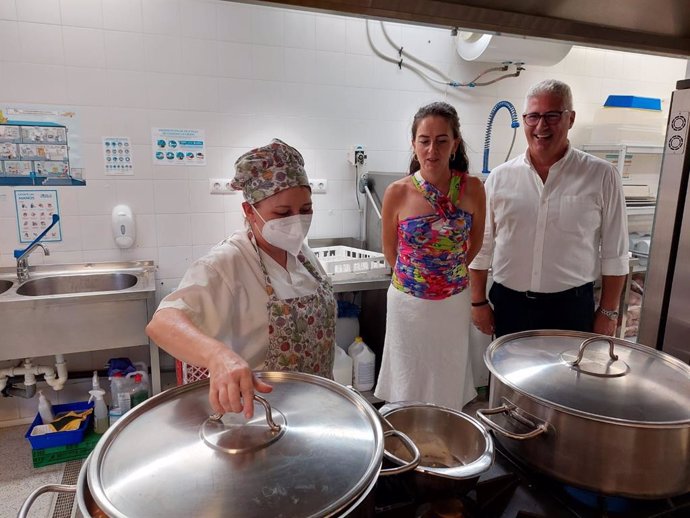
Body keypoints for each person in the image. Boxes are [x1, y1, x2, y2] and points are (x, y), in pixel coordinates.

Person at [146, 139, 336, 418]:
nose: (296, 221)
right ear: (249, 211)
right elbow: (162, 323)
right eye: (283, 213)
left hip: (316, 410)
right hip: (260, 418)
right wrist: (218, 356)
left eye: (305, 210)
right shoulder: (227, 263)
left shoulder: (304, 256)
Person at [469, 79, 629, 338]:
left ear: (571, 118)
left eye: (552, 116)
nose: (541, 126)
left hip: (572, 310)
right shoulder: (499, 178)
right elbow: (481, 247)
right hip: (510, 308)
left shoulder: (602, 176)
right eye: (533, 116)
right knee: (507, 379)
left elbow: (615, 252)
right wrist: (477, 302)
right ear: (524, 120)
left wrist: (608, 312)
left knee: (569, 380)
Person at [374, 102, 486, 410]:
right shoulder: (397, 192)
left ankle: (445, 439)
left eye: (441, 140)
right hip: (408, 304)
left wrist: (445, 276)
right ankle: (404, 438)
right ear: (414, 144)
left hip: (452, 303)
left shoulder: (473, 188)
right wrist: (422, 280)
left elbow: (474, 244)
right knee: (407, 378)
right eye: (424, 140)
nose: (432, 150)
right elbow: (390, 251)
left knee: (446, 378)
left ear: (455, 144)